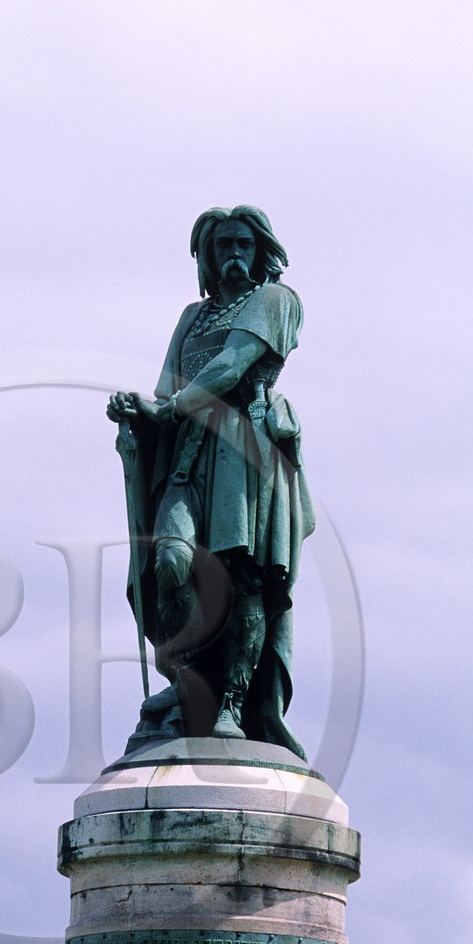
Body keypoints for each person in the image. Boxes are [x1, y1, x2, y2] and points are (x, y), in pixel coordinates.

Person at [106, 206, 314, 756]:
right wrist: (137, 411)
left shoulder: (276, 301)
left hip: (246, 449)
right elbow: (165, 387)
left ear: (261, 249)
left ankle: (233, 702)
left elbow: (231, 366)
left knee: (242, 575)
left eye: (243, 244)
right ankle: (189, 680)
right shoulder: (190, 317)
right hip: (189, 452)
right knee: (170, 561)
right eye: (223, 246)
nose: (234, 255)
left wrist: (167, 409)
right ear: (207, 255)